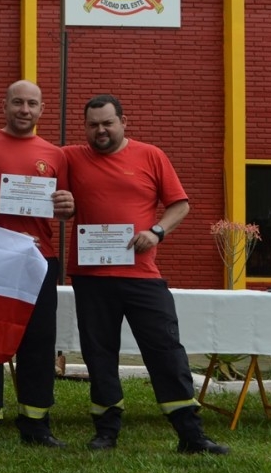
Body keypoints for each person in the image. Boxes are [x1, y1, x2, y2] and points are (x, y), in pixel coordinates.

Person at [64, 94, 228, 454]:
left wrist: (157, 231)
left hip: (142, 275)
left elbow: (180, 204)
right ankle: (106, 431)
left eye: (108, 123)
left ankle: (191, 434)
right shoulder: (71, 157)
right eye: (93, 125)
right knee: (98, 354)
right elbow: (32, 157)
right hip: (91, 277)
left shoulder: (151, 155)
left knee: (166, 350)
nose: (101, 130)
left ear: (124, 122)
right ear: (85, 128)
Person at [0, 80, 74, 452]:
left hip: (40, 260)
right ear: (5, 105)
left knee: (38, 345)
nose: (24, 110)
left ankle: (36, 425)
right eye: (18, 103)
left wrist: (67, 205)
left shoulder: (56, 155)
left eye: (32, 104)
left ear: (42, 110)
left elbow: (68, 203)